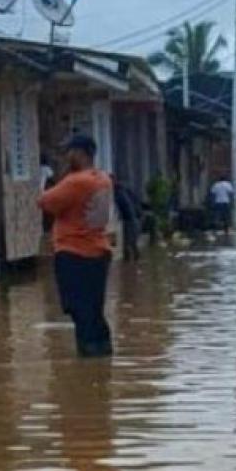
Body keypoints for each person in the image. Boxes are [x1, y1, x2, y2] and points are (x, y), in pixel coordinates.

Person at [38, 134, 114, 358]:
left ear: (80, 153)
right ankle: (101, 361)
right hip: (99, 252)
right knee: (93, 308)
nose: (65, 156)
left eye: (68, 151)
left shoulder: (76, 181)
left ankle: (89, 360)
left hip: (74, 253)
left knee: (78, 308)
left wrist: (56, 179)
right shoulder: (103, 179)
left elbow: (43, 202)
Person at [111, 174, 141, 262]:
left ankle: (130, 265)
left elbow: (124, 206)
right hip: (131, 218)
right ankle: (134, 264)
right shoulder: (122, 189)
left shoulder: (119, 192)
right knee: (131, 243)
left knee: (129, 243)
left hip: (130, 218)